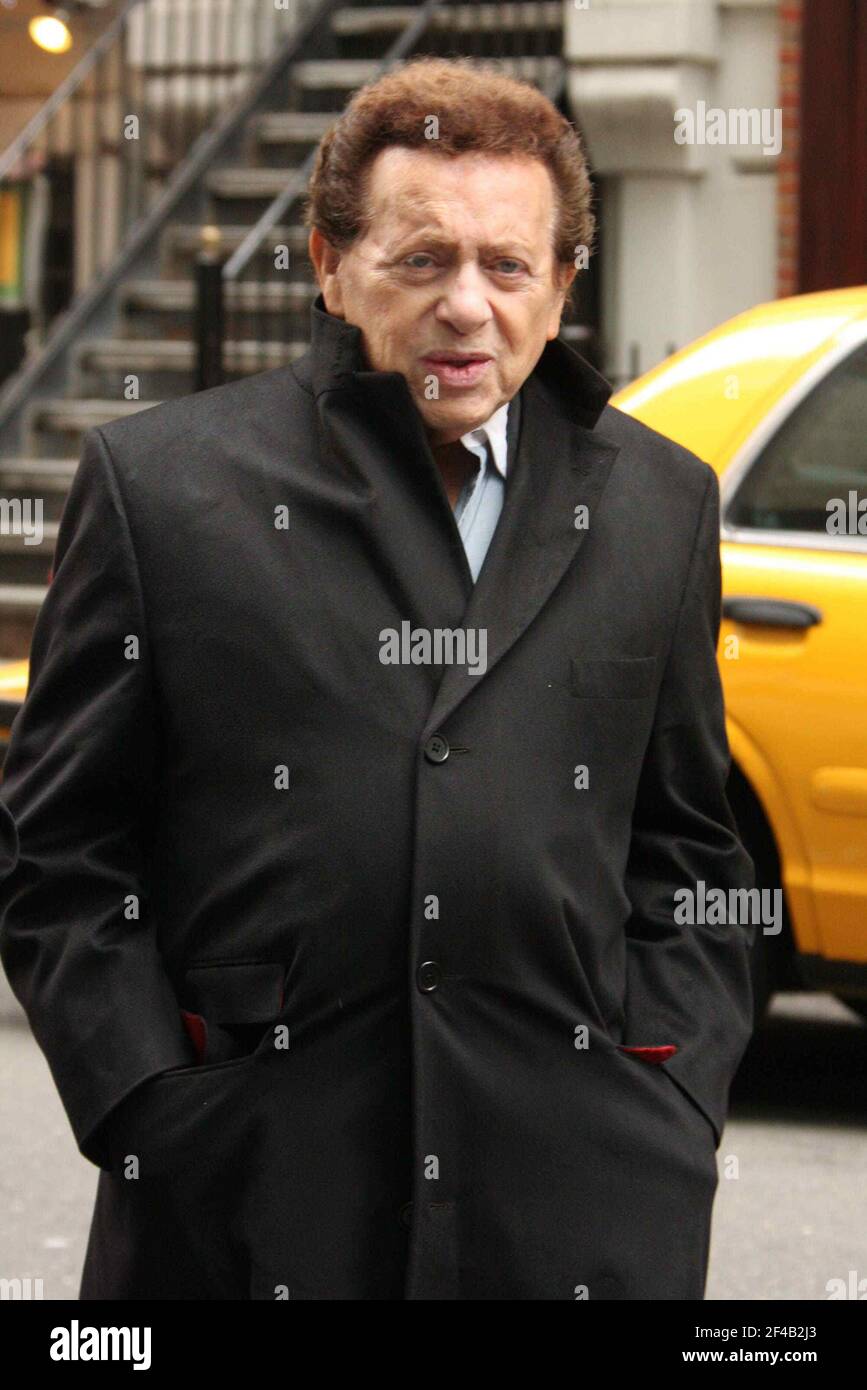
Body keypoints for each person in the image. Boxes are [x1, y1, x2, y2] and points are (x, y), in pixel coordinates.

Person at [0, 57, 755, 1301]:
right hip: (243, 1212)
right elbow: (58, 849)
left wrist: (671, 1100)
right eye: (422, 260)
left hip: (575, 1217)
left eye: (507, 265)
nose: (468, 304)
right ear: (328, 263)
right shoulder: (163, 488)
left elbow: (689, 853)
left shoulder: (661, 504)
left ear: (562, 282)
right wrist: (151, 1106)